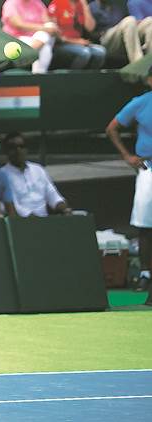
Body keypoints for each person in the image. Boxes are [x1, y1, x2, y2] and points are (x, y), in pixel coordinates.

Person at [106, 64, 152, 300]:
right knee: (145, 226)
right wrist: (127, 156)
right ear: (149, 80)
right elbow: (112, 128)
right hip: (148, 169)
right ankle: (145, 273)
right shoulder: (141, 102)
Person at [0, 133, 71, 217]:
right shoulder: (1, 175)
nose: (18, 150)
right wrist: (31, 217)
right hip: (20, 222)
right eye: (13, 147)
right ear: (6, 151)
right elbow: (10, 207)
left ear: (26, 149)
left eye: (21, 146)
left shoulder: (38, 170)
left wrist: (63, 208)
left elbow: (53, 195)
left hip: (44, 220)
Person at [2, 0, 60, 73]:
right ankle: (39, 75)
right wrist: (44, 29)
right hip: (16, 39)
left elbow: (47, 22)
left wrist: (52, 27)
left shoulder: (37, 2)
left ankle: (28, 53)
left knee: (49, 28)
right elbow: (18, 24)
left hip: (37, 39)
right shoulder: (10, 3)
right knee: (46, 48)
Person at [48, 0, 107, 69]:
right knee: (84, 53)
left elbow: (90, 28)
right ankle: (72, 78)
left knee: (100, 52)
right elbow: (53, 32)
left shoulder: (80, 4)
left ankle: (90, 78)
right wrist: (74, 41)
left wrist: (85, 6)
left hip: (78, 43)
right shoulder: (57, 3)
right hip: (60, 44)